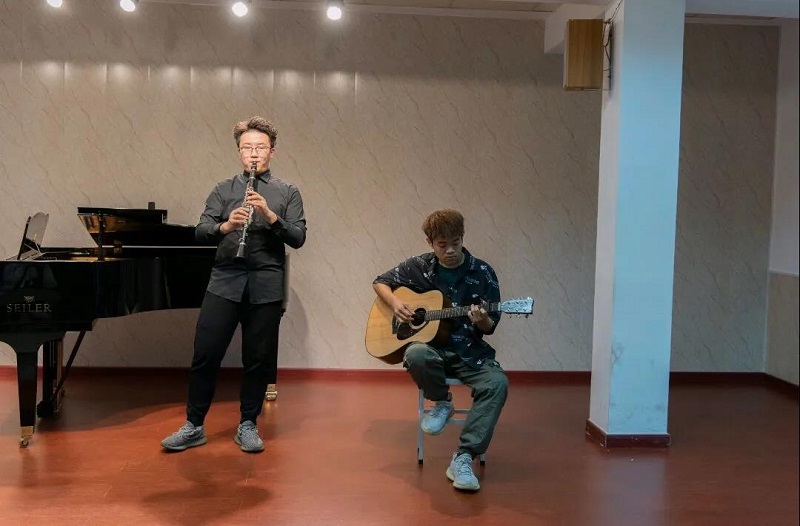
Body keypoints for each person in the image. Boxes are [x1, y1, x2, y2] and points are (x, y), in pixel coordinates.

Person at [161, 116, 306, 453]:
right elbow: (201, 231)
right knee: (205, 354)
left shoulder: (287, 192)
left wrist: (270, 216)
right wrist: (225, 227)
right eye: (247, 148)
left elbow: (298, 237)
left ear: (272, 151)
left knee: (257, 359)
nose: (253, 154)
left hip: (266, 283)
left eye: (260, 147)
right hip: (224, 280)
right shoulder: (223, 189)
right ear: (239, 152)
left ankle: (248, 425)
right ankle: (194, 426)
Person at [372, 209, 508, 491]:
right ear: (430, 242)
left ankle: (464, 457)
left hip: (470, 352)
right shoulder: (419, 267)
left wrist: (481, 319)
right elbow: (380, 282)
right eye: (442, 244)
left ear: (463, 238)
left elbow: (490, 326)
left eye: (455, 243)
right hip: (432, 352)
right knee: (415, 353)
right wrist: (396, 303)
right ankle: (442, 402)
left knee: (497, 383)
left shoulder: (483, 272)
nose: (450, 251)